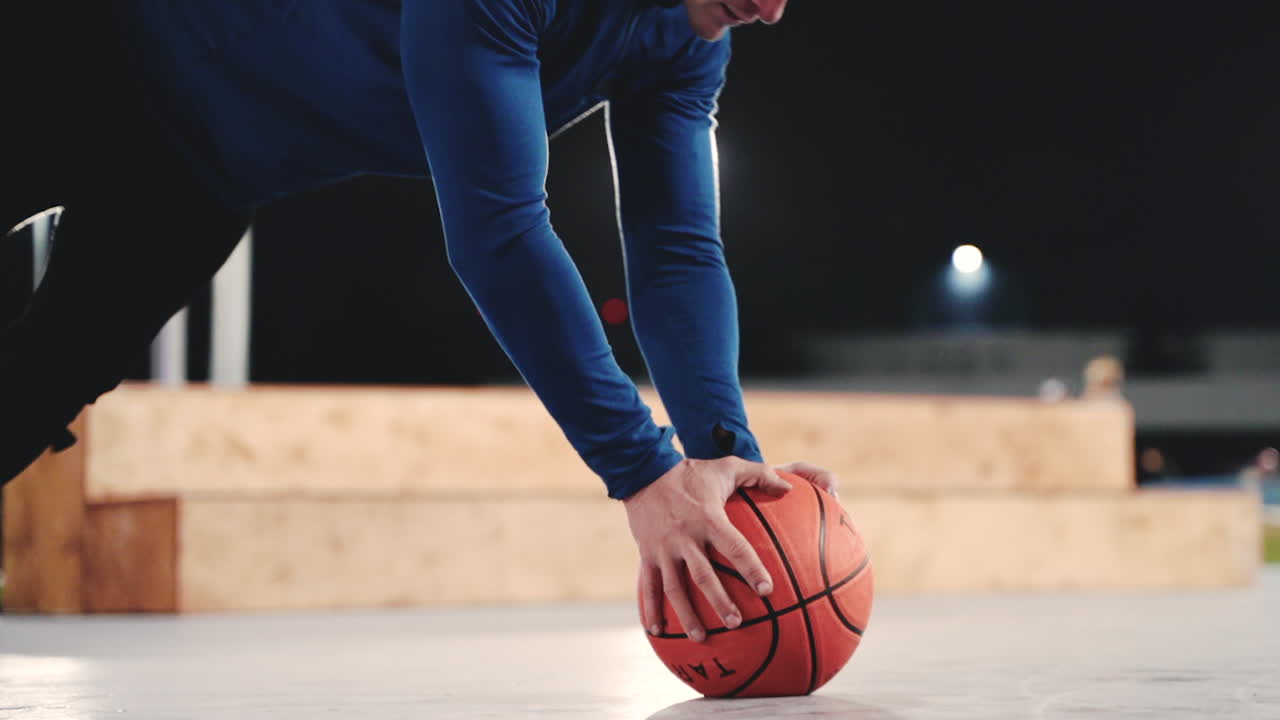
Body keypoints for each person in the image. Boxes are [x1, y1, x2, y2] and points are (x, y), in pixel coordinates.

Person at [0, 0, 836, 644]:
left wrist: (723, 450)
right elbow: (500, 231)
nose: (772, 11)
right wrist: (642, 471)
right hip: (94, 43)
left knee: (35, 395)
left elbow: (675, 247)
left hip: (204, 174)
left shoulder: (690, 39)